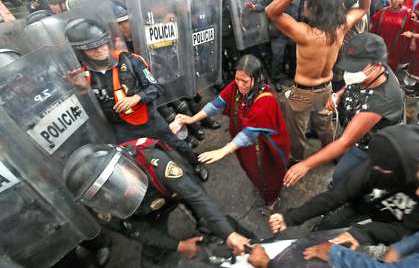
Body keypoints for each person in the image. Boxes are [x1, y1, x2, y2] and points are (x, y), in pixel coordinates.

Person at [63, 140, 250, 267]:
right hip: (145, 215)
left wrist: (229, 234)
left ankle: (210, 230)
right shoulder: (97, 204)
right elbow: (136, 230)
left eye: (117, 181)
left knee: (214, 220)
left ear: (125, 162)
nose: (123, 191)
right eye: (107, 191)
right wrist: (179, 246)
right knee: (152, 259)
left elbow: (196, 196)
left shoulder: (155, 161)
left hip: (170, 191)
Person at [64, 18, 208, 181]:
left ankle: (195, 163)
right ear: (81, 52)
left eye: (101, 43)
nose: (99, 50)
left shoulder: (131, 61)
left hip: (149, 120)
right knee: (136, 162)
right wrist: (83, 91)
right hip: (121, 129)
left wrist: (136, 98)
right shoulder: (83, 76)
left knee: (177, 145)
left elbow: (157, 88)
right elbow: (90, 114)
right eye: (91, 48)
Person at [269, 125, 419, 248]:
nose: (374, 169)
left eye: (382, 168)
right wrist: (291, 217)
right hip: (362, 204)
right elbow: (338, 194)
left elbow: (406, 230)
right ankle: (319, 233)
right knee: (330, 225)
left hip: (392, 222)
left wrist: (364, 233)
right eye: (373, 162)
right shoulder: (377, 165)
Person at [265, 0, 371, 162]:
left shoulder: (304, 34)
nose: (304, 4)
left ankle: (297, 160)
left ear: (314, 8)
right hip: (326, 88)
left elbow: (271, 11)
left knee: (296, 132)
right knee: (325, 126)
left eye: (307, 2)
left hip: (302, 91)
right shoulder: (340, 29)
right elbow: (364, 7)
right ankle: (332, 154)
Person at [283, 33, 403, 188]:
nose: (350, 73)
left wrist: (305, 165)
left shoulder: (382, 99)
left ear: (377, 66)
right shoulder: (373, 71)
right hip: (351, 125)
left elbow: (345, 142)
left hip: (366, 146)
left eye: (356, 68)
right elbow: (353, 83)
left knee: (342, 174)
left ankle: (342, 190)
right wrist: (339, 95)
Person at [176, 55, 289, 208]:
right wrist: (192, 119)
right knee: (250, 169)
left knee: (266, 173)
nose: (240, 84)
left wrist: (223, 151)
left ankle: (271, 199)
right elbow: (217, 104)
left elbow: (250, 132)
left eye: (245, 81)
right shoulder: (235, 87)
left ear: (256, 78)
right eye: (237, 79)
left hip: (262, 147)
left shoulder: (266, 99)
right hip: (241, 144)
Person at [246, 0, 303, 91]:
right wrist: (254, 7)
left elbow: (303, 12)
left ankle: (294, 77)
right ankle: (276, 79)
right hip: (278, 33)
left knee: (294, 57)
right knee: (277, 57)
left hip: (294, 32)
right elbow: (263, 5)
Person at [370, 0, 413, 71]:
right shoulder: (383, 11)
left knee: (390, 66)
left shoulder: (408, 13)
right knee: (376, 64)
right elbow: (373, 24)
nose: (397, 1)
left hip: (396, 45)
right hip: (380, 41)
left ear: (404, 1)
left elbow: (410, 30)